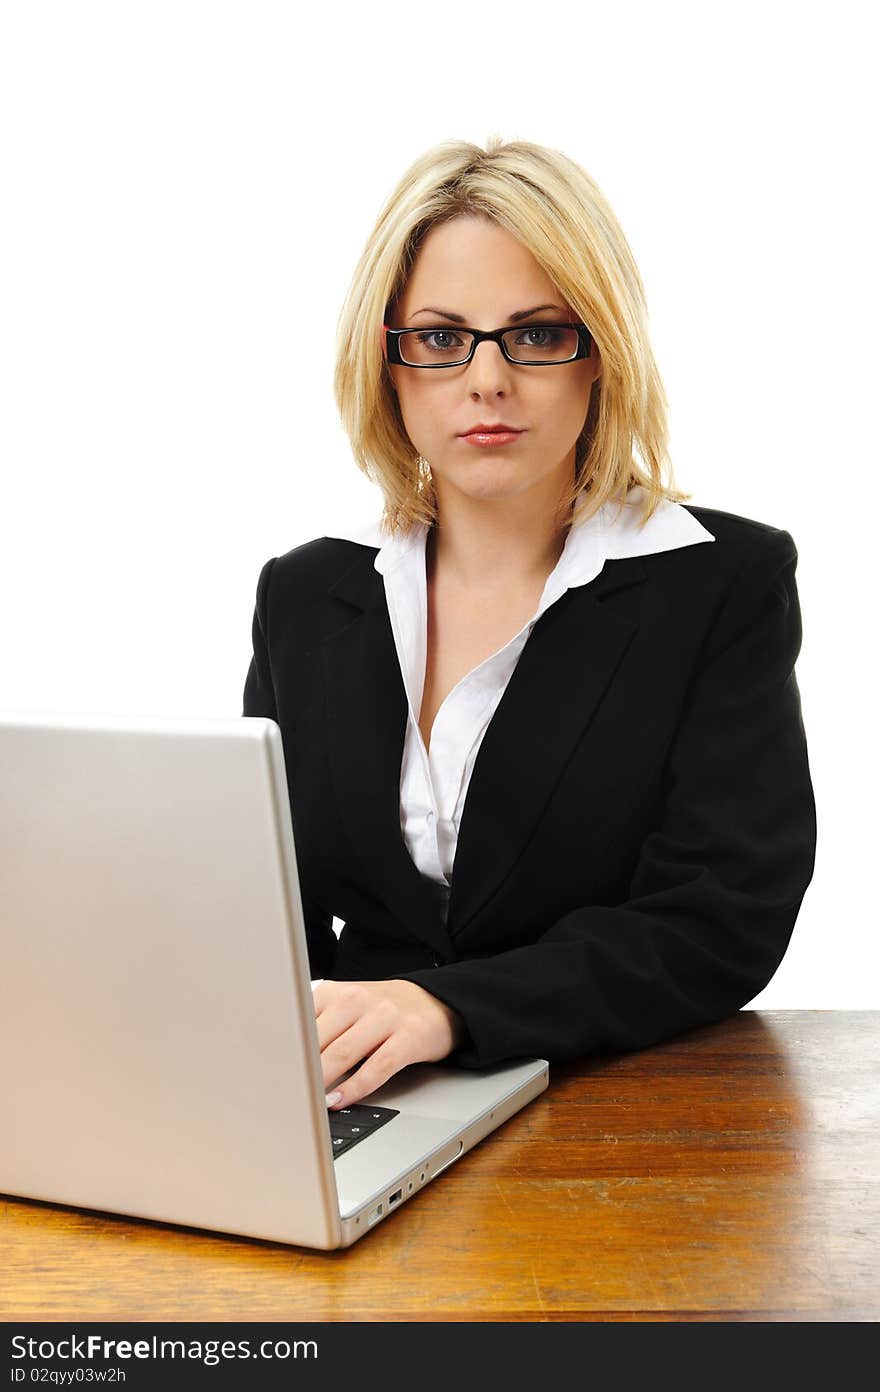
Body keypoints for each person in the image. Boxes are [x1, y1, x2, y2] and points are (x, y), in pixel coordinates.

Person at [243, 136, 816, 1113]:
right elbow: (266, 907)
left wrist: (445, 1010)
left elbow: (719, 920)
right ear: (387, 363)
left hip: (620, 1110)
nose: (486, 380)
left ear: (600, 354)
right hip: (361, 1102)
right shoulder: (308, 595)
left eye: (537, 334)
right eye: (439, 336)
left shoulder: (720, 584)